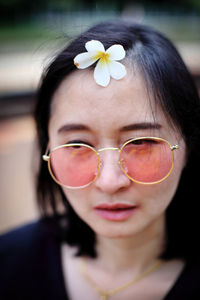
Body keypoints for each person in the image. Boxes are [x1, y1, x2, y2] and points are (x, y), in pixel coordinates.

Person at [0, 20, 200, 300]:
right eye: (78, 144)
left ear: (189, 145)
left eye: (141, 143)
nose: (110, 182)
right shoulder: (8, 263)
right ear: (48, 149)